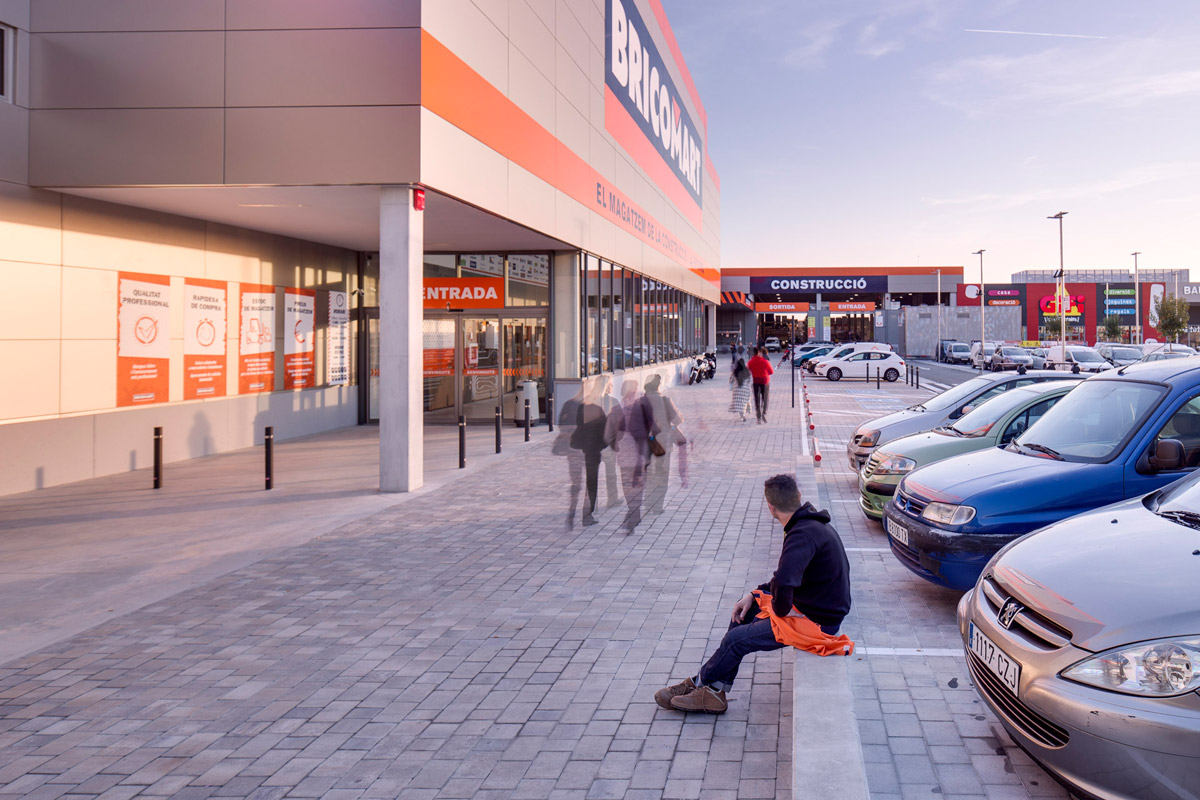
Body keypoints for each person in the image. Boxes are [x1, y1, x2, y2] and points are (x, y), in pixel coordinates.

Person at [655, 474, 853, 714]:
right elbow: (784, 577)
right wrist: (756, 593)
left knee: (735, 640)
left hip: (819, 624)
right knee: (743, 613)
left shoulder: (801, 535)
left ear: (770, 506)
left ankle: (699, 684)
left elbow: (784, 588)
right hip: (813, 608)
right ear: (799, 497)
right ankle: (713, 691)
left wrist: (777, 613)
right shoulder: (808, 526)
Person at [639, 373, 682, 516]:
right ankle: (657, 506)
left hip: (644, 442)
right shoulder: (665, 400)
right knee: (662, 474)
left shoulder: (640, 401)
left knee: (649, 473)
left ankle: (647, 503)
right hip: (662, 442)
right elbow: (677, 419)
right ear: (658, 385)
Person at [747, 346, 774, 424]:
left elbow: (747, 371)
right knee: (765, 398)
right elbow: (771, 371)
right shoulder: (765, 361)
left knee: (757, 399)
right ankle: (764, 412)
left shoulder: (750, 362)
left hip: (756, 382)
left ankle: (758, 416)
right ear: (758, 352)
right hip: (765, 382)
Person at [729, 358, 752, 422]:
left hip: (737, 389)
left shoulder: (735, 371)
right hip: (745, 389)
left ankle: (742, 415)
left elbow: (731, 380)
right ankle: (743, 414)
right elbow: (750, 380)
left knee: (739, 403)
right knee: (744, 402)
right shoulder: (747, 371)